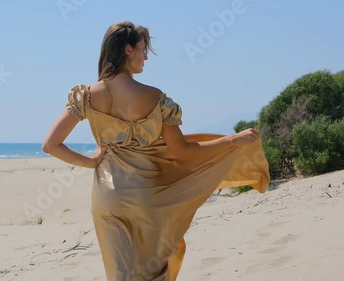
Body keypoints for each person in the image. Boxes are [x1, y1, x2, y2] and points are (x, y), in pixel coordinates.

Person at [42, 21, 269, 281]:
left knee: (120, 275)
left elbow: (50, 144)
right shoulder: (156, 99)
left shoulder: (87, 96)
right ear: (128, 50)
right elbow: (183, 152)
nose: (146, 56)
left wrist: (92, 162)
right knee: (152, 271)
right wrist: (231, 141)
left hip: (108, 198)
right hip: (147, 196)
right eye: (142, 49)